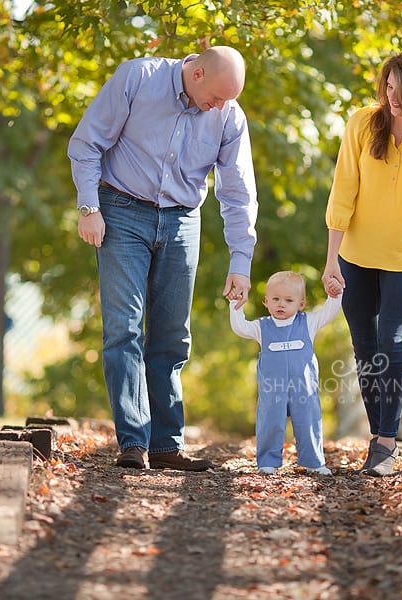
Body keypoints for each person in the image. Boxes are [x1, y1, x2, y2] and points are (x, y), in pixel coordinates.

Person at [68, 46, 258, 471]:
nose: (221, 107)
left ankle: (166, 445)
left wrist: (240, 261)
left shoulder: (229, 115)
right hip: (120, 210)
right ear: (197, 73)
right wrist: (88, 207)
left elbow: (237, 192)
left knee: (173, 335)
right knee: (124, 329)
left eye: (230, 100)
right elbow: (86, 144)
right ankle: (133, 442)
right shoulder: (138, 78)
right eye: (217, 97)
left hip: (182, 220)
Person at [322, 47, 402, 476]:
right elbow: (343, 192)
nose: (391, 98)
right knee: (364, 347)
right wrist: (331, 261)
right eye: (388, 87)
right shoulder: (363, 122)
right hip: (355, 256)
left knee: (392, 343)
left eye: (401, 92)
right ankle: (380, 436)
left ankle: (385, 443)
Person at [230, 271, 341, 475]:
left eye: (288, 300)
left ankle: (313, 462)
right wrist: (235, 305)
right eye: (275, 299)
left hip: (303, 389)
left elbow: (329, 312)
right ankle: (268, 461)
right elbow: (240, 328)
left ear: (301, 303)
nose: (281, 304)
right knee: (269, 423)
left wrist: (335, 295)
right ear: (266, 301)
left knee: (309, 422)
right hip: (273, 390)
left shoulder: (308, 323)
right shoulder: (261, 327)